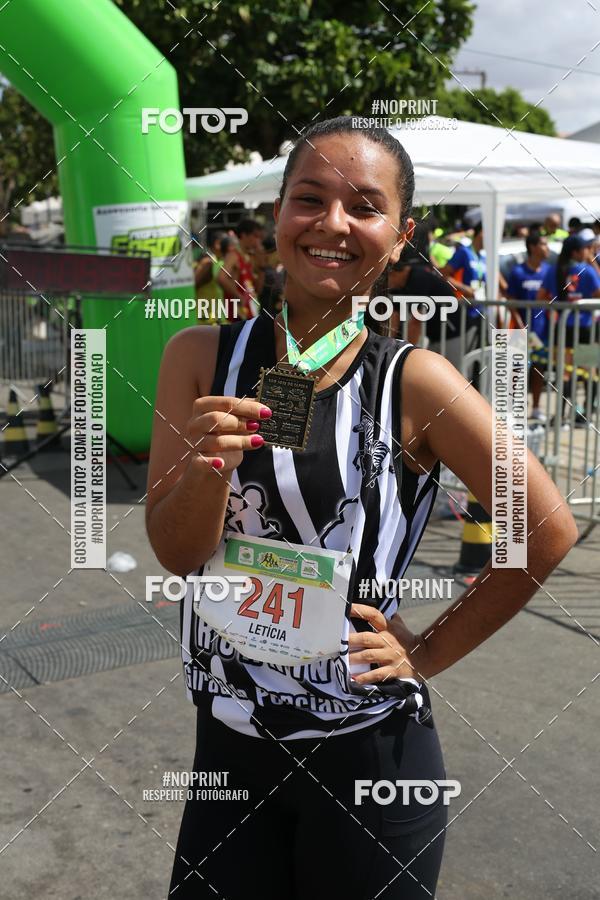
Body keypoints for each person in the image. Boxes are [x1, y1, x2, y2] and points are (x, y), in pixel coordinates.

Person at [146, 116, 577, 900]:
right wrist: (210, 467)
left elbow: (546, 528)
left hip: (370, 762)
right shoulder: (199, 356)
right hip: (231, 747)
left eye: (365, 206)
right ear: (278, 214)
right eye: (309, 198)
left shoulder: (414, 383)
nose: (332, 225)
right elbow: (175, 555)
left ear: (400, 234)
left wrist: (429, 651)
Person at [537, 232, 600, 425]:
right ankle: (586, 414)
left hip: (562, 328)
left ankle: (560, 415)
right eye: (586, 249)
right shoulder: (587, 270)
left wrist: (555, 313)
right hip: (585, 328)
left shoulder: (554, 270)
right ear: (576, 251)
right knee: (589, 370)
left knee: (564, 372)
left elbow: (541, 297)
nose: (589, 252)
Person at [388, 221, 462, 368]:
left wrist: (403, 354)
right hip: (436, 333)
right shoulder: (398, 287)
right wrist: (388, 346)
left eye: (386, 279)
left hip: (454, 331)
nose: (384, 284)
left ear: (395, 274)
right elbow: (394, 319)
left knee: (452, 372)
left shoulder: (418, 279)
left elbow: (416, 321)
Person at [506, 231, 551, 421]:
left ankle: (536, 407)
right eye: (543, 244)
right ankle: (511, 407)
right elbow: (510, 301)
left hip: (542, 330)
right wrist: (520, 324)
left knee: (538, 369)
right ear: (533, 247)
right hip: (520, 330)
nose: (547, 248)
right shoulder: (517, 272)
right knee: (517, 369)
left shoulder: (549, 271)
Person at [221, 218, 263, 321]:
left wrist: (262, 268)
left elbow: (257, 289)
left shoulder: (249, 258)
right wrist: (239, 296)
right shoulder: (234, 255)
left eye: (259, 237)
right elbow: (221, 278)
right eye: (255, 236)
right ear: (244, 235)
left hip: (250, 313)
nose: (258, 241)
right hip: (237, 315)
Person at [194, 231, 230, 325]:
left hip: (215, 319)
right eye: (227, 242)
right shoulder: (207, 263)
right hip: (206, 322)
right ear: (217, 244)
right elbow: (193, 285)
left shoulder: (219, 263)